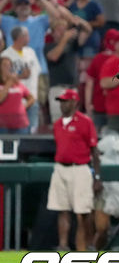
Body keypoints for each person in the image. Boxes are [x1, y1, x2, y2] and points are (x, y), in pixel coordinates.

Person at [46, 89, 102, 251]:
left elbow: (94, 151)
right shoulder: (57, 124)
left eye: (65, 101)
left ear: (75, 103)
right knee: (62, 209)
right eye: (61, 101)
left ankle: (89, 244)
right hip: (61, 169)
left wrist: (97, 177)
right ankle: (63, 246)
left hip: (80, 169)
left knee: (83, 211)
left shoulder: (85, 122)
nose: (62, 104)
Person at [1, 27, 41, 132]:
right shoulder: (5, 56)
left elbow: (37, 72)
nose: (29, 38)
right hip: (14, 102)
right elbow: (3, 78)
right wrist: (21, 77)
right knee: (14, 136)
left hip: (31, 97)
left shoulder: (31, 52)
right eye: (27, 35)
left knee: (32, 131)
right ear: (20, 37)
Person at [0, 57, 34, 134]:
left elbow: (31, 98)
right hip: (2, 125)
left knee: (22, 145)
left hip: (20, 123)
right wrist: (9, 83)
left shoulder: (18, 84)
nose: (8, 68)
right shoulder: (7, 83)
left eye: (10, 65)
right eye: (5, 65)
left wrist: (24, 107)